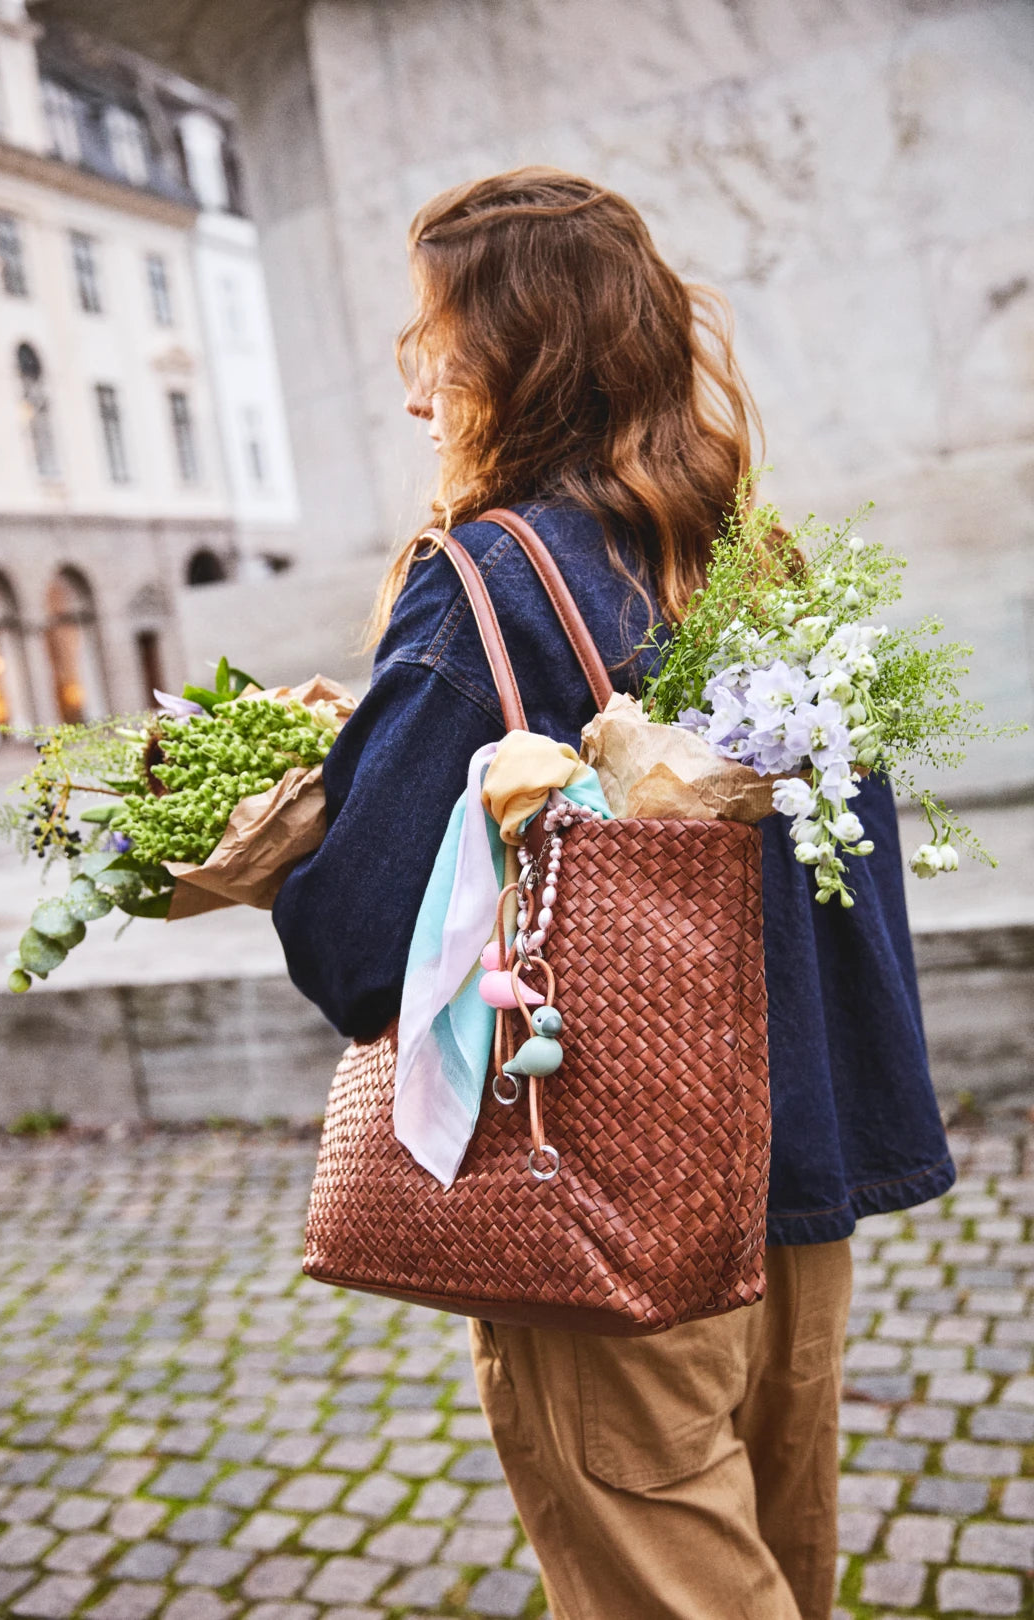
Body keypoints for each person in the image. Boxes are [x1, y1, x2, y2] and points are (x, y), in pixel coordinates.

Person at [273, 168, 955, 1620]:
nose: (417, 398)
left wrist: (285, 834)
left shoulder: (490, 584)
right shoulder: (755, 565)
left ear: (522, 362)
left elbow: (358, 950)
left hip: (612, 1214)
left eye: (437, 349)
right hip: (795, 1193)